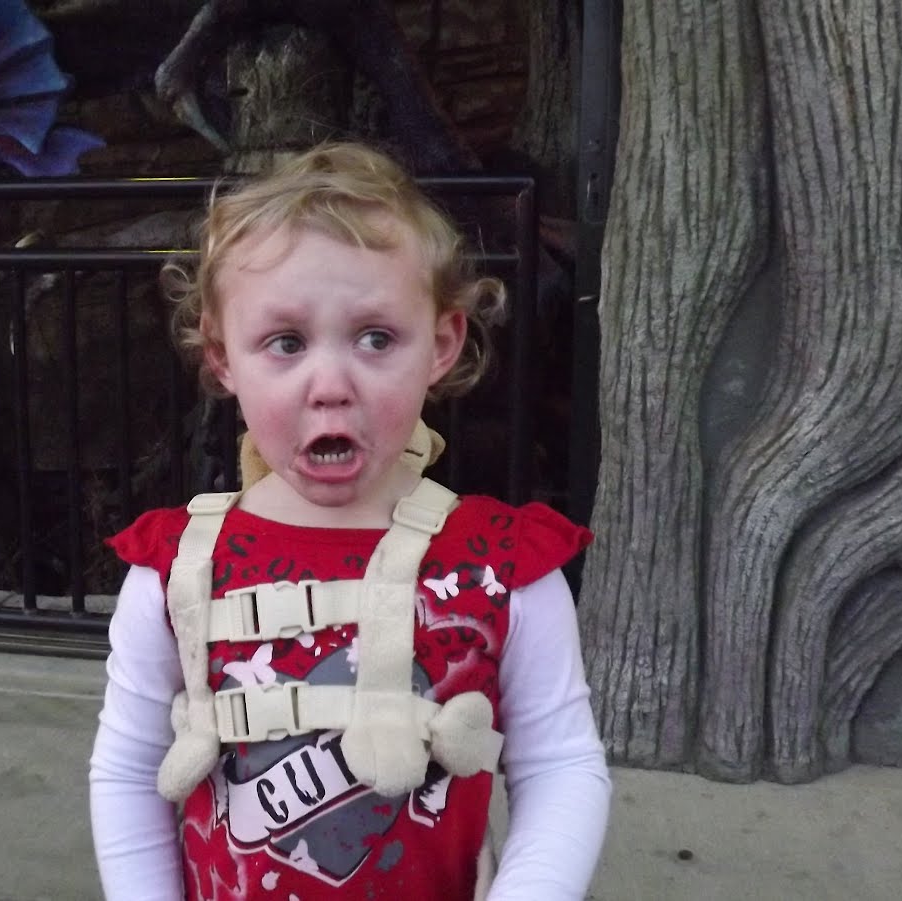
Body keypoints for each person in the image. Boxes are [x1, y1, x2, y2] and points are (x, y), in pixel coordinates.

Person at [89, 142, 610, 900]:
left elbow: (561, 766)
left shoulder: (503, 568)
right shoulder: (174, 570)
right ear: (223, 357)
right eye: (286, 343)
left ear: (441, 345)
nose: (330, 383)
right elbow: (128, 770)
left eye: (376, 338)